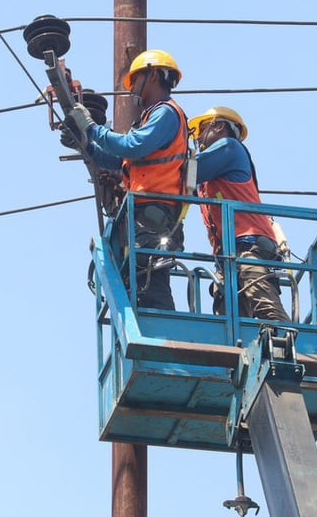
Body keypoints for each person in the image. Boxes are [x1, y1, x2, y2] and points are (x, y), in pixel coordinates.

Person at [66, 49, 189, 311]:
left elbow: (131, 146)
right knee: (140, 282)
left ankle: (161, 328)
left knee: (151, 279)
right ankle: (155, 325)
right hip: (143, 215)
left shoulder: (167, 113)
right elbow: (118, 160)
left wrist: (92, 128)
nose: (132, 87)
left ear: (154, 75)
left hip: (155, 213)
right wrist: (85, 146)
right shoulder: (149, 118)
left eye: (136, 79)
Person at [189, 106, 291, 322]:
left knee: (263, 302)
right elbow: (182, 182)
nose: (197, 139)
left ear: (219, 126)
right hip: (228, 254)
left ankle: (284, 341)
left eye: (202, 130)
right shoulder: (207, 177)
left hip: (249, 244)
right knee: (227, 316)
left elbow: (185, 172)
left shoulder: (229, 148)